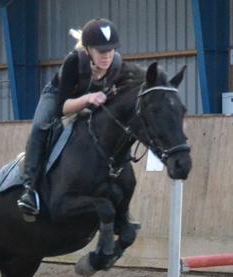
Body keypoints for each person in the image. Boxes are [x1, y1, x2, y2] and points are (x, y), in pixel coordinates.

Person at [17, 18, 144, 218]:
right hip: (60, 97)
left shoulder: (118, 64)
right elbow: (63, 108)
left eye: (111, 50)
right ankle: (30, 189)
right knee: (39, 127)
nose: (107, 56)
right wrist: (87, 99)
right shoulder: (73, 62)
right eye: (101, 51)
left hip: (91, 101)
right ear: (88, 50)